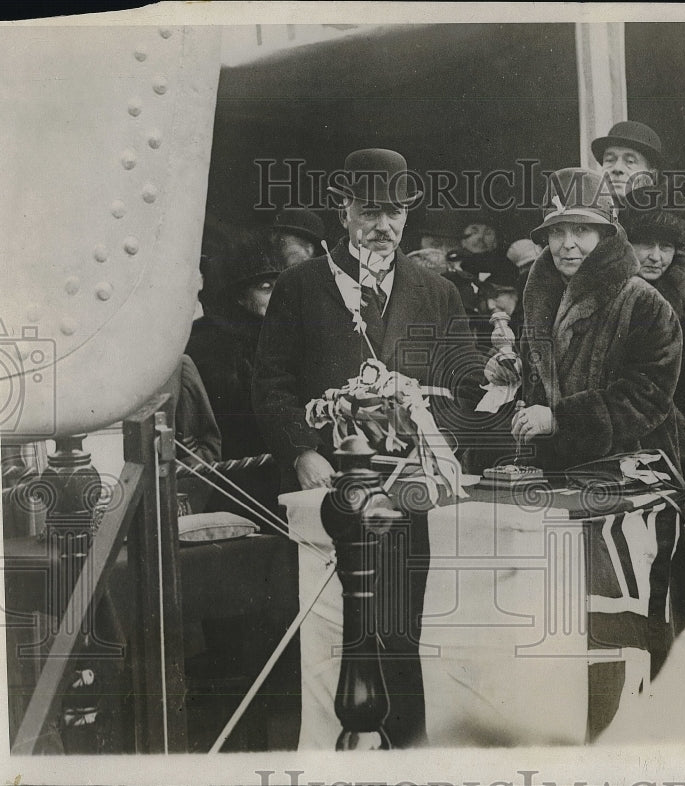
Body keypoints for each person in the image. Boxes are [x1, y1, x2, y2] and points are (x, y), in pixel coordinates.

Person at [251, 148, 479, 748]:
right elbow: (270, 384)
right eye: (372, 211)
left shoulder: (438, 291)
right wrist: (301, 451)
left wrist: (436, 450)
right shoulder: (301, 288)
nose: (385, 226)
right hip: (330, 490)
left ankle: (408, 751)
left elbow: (463, 387)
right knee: (335, 631)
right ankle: (337, 754)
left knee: (407, 630)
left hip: (412, 494)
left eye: (397, 213)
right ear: (344, 209)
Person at [515, 168, 685, 735]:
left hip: (632, 483)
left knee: (628, 620)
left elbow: (646, 396)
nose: (568, 244)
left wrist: (558, 418)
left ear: (610, 231)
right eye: (558, 231)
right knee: (564, 619)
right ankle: (571, 728)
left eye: (583, 231)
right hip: (565, 483)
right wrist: (514, 376)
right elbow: (541, 379)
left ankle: (641, 735)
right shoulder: (542, 293)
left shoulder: (644, 303)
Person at [620, 205, 685, 567]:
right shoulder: (614, 297)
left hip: (684, 438)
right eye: (644, 244)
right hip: (625, 434)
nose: (656, 256)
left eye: (666, 247)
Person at [187, 229, 284, 516]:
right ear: (240, 297)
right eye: (265, 287)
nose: (277, 295)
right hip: (236, 485)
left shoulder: (281, 335)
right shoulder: (211, 342)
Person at [591, 120, 685, 314]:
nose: (617, 168)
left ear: (651, 175)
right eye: (609, 159)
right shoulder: (592, 234)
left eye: (630, 161)